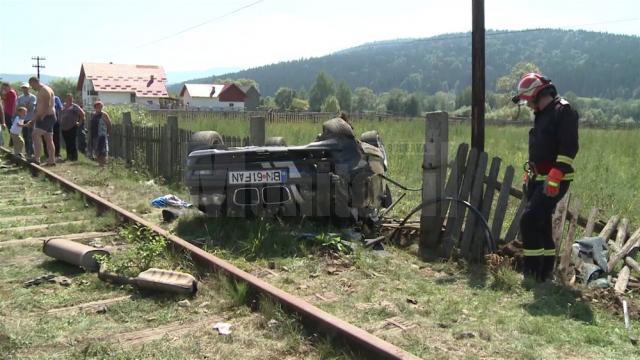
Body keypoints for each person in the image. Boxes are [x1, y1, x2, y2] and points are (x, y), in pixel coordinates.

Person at [512, 73, 579, 283]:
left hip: (555, 179)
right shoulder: (542, 114)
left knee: (528, 220)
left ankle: (531, 273)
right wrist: (531, 171)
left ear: (536, 95)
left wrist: (556, 174)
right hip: (539, 178)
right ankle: (544, 273)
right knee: (540, 223)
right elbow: (541, 148)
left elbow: (569, 146)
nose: (528, 106)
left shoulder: (563, 111)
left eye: (528, 101)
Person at [26, 77, 56, 166]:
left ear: (35, 82)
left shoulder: (45, 90)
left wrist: (40, 116)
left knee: (35, 135)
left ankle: (37, 159)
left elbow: (47, 105)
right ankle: (51, 160)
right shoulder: (42, 90)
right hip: (46, 117)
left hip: (46, 117)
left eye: (32, 85)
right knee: (48, 139)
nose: (32, 87)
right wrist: (34, 118)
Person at [60, 93, 85, 161]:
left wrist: (79, 123)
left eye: (70, 98)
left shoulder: (74, 106)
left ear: (72, 99)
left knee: (72, 142)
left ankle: (74, 157)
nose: (69, 99)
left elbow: (82, 114)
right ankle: (68, 156)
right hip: (64, 127)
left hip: (72, 127)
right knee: (67, 142)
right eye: (68, 98)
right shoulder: (64, 106)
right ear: (66, 99)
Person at [90, 101, 112, 166]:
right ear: (95, 108)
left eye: (100, 107)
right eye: (97, 107)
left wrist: (108, 132)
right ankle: (100, 164)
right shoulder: (93, 115)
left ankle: (103, 165)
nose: (99, 108)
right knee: (97, 150)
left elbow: (109, 124)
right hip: (94, 135)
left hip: (102, 135)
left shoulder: (104, 115)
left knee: (103, 150)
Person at [17, 83, 36, 157]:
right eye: (23, 88)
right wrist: (25, 106)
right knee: (25, 136)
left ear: (29, 88)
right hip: (23, 119)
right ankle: (28, 151)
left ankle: (32, 152)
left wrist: (23, 106)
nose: (24, 89)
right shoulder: (20, 97)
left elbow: (30, 107)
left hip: (31, 119)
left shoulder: (32, 97)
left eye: (26, 88)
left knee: (30, 136)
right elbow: (18, 108)